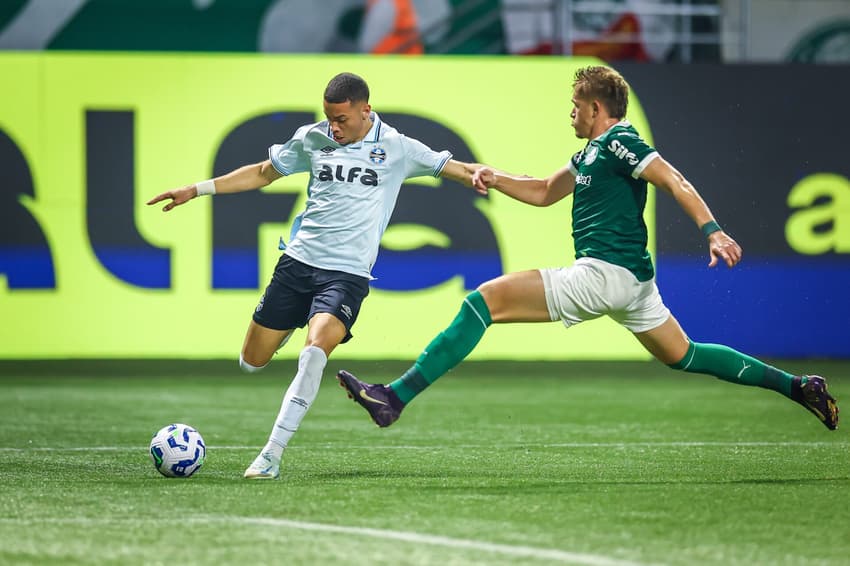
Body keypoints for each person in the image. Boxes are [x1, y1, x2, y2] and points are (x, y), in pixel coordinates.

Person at [337, 65, 840, 432]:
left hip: (605, 275)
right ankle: (798, 387)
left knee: (483, 301)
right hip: (634, 284)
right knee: (684, 355)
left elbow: (674, 179)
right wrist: (490, 176)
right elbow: (541, 192)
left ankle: (395, 397)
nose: (571, 113)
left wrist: (712, 229)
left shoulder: (622, 142)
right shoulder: (590, 155)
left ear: (597, 109)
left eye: (576, 106)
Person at [147, 72, 483, 479]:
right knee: (251, 362)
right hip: (297, 264)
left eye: (341, 119)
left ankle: (271, 455)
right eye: (329, 118)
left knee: (313, 354)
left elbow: (455, 168)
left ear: (366, 111)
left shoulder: (397, 148)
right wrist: (196, 189)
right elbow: (261, 172)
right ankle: (290, 322)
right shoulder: (313, 138)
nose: (334, 127)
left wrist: (487, 177)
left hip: (346, 276)